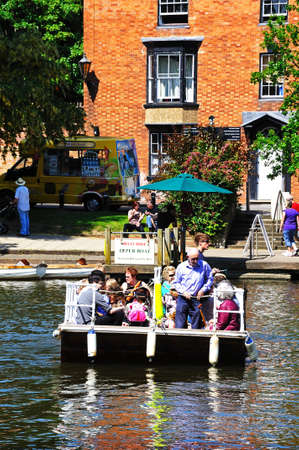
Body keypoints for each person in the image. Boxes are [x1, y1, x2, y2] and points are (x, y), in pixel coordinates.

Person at [171, 248, 213, 329]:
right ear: (187, 257)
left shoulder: (204, 265)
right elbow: (176, 282)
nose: (196, 261)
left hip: (196, 298)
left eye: (197, 258)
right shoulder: (181, 267)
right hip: (183, 298)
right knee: (180, 324)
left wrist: (203, 290)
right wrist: (183, 292)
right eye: (193, 259)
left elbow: (210, 279)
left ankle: (194, 340)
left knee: (196, 325)